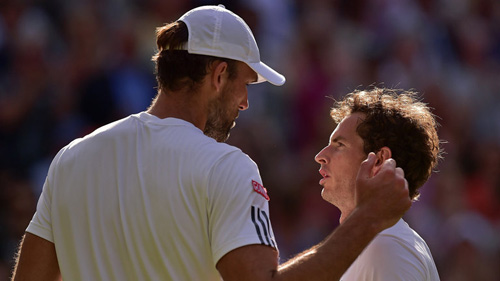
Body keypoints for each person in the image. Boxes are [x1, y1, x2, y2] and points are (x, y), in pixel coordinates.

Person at [11, 5, 411, 281]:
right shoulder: (227, 167)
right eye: (244, 84)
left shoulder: (70, 158)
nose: (245, 103)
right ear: (218, 75)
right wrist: (369, 216)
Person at [315, 87, 442, 280]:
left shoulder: (387, 248)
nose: (320, 156)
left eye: (339, 145)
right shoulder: (380, 245)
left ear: (379, 160)